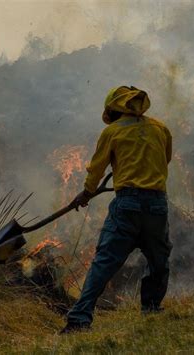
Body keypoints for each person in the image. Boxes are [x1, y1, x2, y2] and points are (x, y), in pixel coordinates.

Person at [60, 86, 173, 334]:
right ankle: (152, 309)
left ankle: (79, 319)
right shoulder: (160, 128)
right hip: (157, 205)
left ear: (113, 109)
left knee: (104, 262)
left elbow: (97, 168)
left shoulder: (111, 132)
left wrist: (87, 193)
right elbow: (165, 159)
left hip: (127, 205)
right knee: (159, 260)